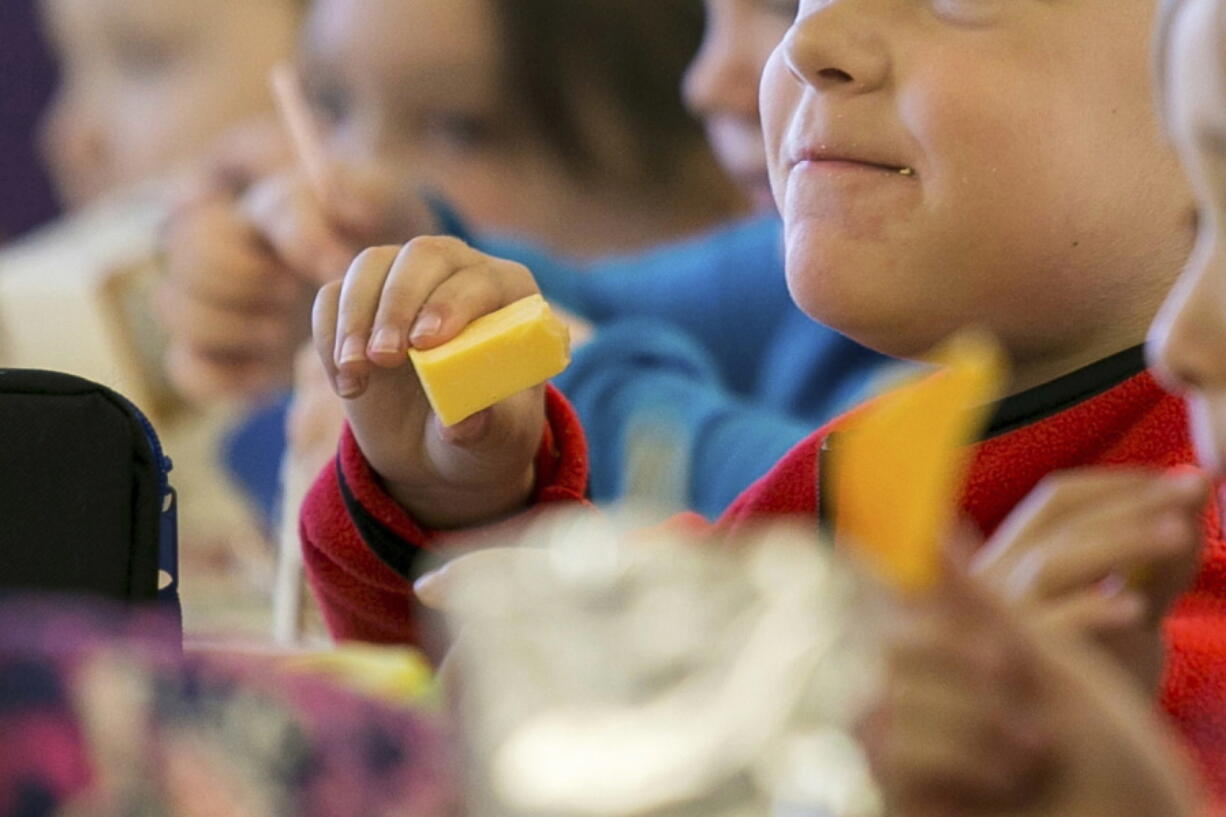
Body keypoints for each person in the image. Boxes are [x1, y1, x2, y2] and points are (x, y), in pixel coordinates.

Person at [299, 0, 1226, 795]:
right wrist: (466, 503)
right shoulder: (873, 465)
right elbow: (491, 764)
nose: (813, 39)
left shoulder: (1182, 547)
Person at [159, 0, 884, 521]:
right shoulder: (793, 269)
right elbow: (605, 304)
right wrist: (399, 246)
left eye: (460, 127)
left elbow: (823, 512)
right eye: (331, 104)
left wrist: (496, 361)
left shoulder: (966, 396)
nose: (704, 83)